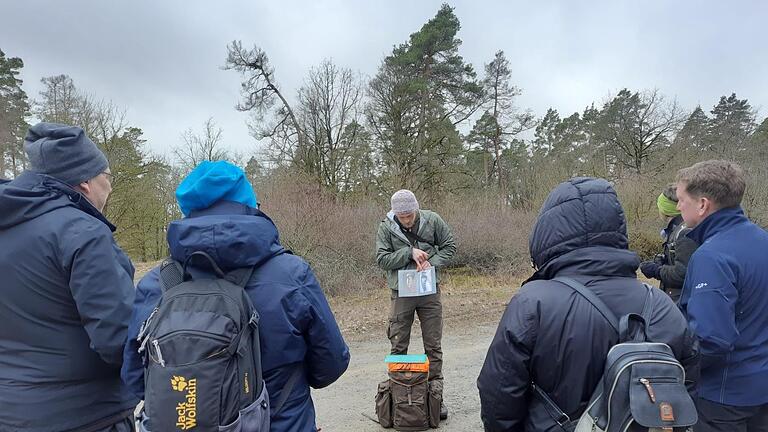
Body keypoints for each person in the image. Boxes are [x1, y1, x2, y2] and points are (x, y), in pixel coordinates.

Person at [122, 160, 350, 432]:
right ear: (250, 203)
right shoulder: (291, 275)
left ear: (187, 211)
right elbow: (330, 365)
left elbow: (136, 379)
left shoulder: (156, 283)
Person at [477, 177, 699, 432]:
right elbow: (686, 390)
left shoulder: (532, 303)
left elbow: (499, 394)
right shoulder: (662, 303)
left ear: (549, 233)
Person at [0, 123, 137, 432]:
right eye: (107, 177)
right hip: (86, 416)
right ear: (86, 181)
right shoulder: (83, 233)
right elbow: (119, 340)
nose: (110, 187)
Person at [676, 160, 768, 431]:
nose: (678, 206)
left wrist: (678, 375)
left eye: (682, 200)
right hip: (760, 389)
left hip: (723, 399)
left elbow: (711, 340)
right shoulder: (762, 241)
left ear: (702, 204)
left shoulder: (713, 256)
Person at [375, 189, 456, 419]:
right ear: (395, 213)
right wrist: (408, 253)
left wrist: (432, 263)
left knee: (433, 346)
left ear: (416, 208)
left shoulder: (432, 220)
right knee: (398, 345)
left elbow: (450, 246)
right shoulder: (386, 227)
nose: (407, 220)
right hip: (402, 292)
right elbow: (382, 259)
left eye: (410, 214)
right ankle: (397, 399)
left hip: (429, 290)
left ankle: (435, 399)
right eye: (402, 216)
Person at [639, 184, 699, 302]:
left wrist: (657, 271)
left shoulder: (684, 232)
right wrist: (664, 262)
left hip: (683, 302)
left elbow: (682, 274)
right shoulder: (678, 229)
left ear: (665, 209)